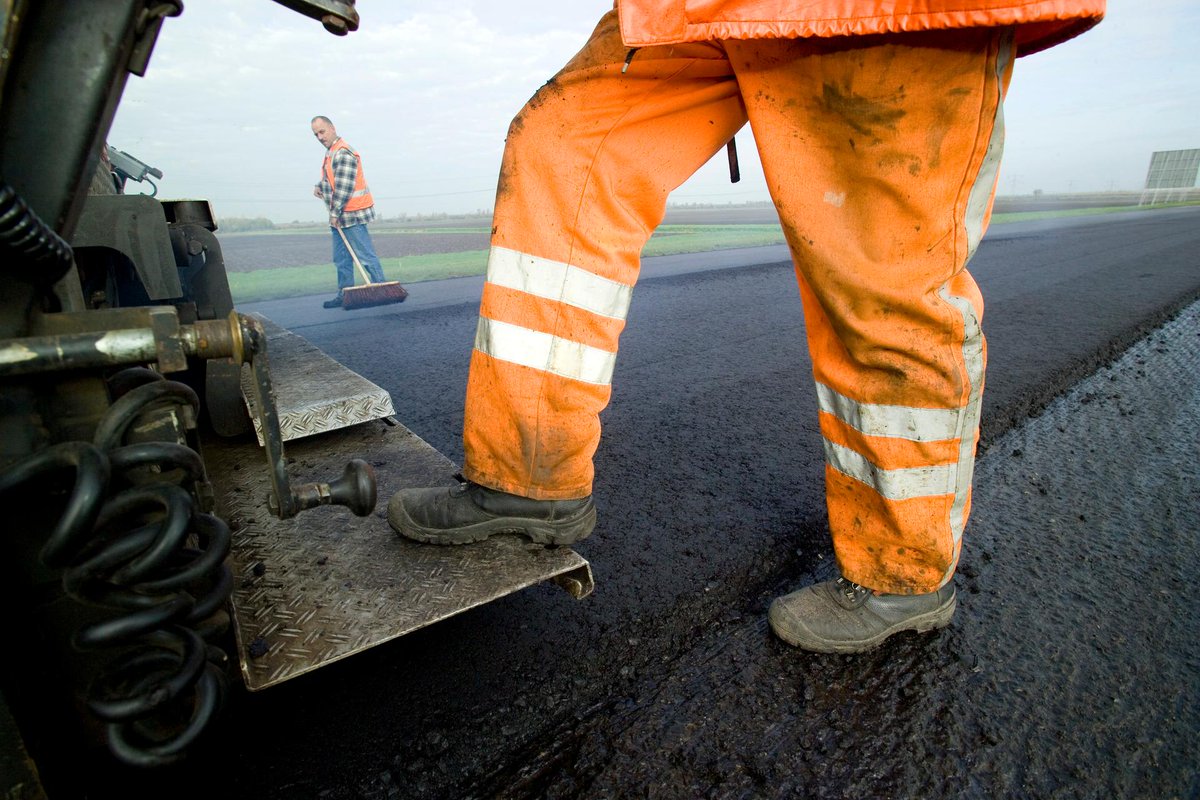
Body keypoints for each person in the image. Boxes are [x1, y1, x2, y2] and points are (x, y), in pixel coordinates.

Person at [387, 1, 1106, 653]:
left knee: (882, 268)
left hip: (880, 12)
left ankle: (904, 570)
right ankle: (527, 475)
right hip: (697, 8)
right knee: (564, 147)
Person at [311, 115, 388, 308]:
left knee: (365, 255)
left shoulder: (343, 153)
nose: (320, 137)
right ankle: (345, 294)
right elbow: (333, 178)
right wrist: (320, 185)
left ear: (332, 128)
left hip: (351, 215)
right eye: (316, 134)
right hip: (339, 216)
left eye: (322, 132)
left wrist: (335, 214)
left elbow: (344, 189)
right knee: (341, 258)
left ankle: (382, 290)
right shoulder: (331, 153)